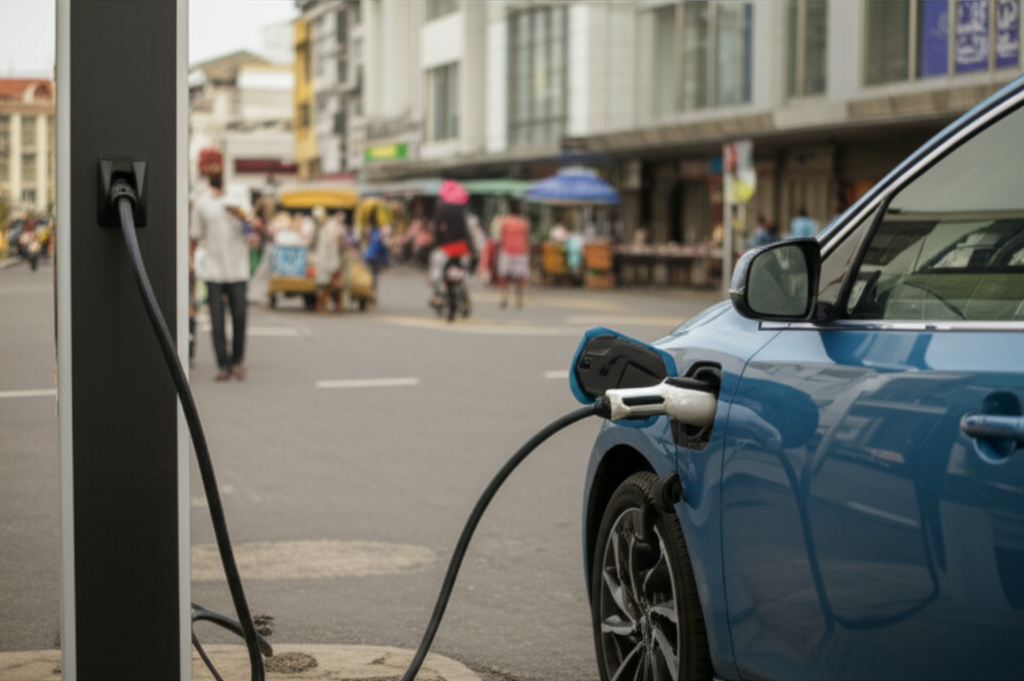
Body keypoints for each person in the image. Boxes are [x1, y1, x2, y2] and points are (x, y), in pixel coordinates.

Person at [190, 175, 251, 381]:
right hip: (214, 269)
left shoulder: (239, 196)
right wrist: (192, 264)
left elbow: (252, 229)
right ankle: (223, 365)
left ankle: (237, 362)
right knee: (217, 320)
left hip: (238, 268)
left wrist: (242, 216)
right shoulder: (202, 202)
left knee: (239, 317)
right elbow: (195, 235)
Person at [497, 198, 530, 309]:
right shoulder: (524, 223)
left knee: (505, 277)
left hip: (507, 250)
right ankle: (519, 299)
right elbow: (527, 238)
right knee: (519, 277)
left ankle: (504, 297)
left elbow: (501, 237)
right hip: (521, 251)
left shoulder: (504, 222)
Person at [363, 209, 390, 293]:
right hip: (374, 255)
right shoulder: (376, 229)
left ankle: (371, 291)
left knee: (371, 274)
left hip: (372, 255)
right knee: (372, 274)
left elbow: (366, 240)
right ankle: (371, 291)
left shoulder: (374, 228)